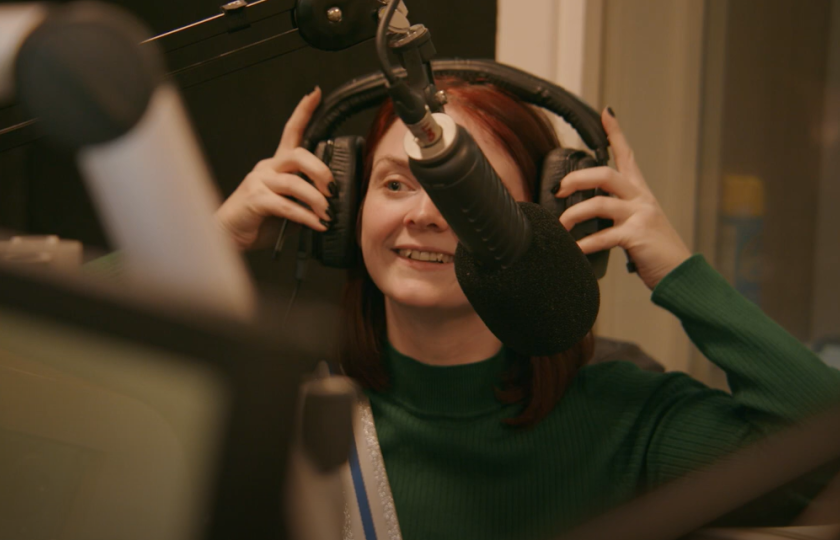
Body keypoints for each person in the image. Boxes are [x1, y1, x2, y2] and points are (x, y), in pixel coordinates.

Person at [215, 79, 840, 540]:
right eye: (396, 183)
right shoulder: (285, 419)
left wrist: (675, 270)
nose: (424, 214)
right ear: (347, 207)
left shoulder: (624, 423)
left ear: (541, 227)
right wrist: (217, 239)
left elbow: (823, 449)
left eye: (469, 196)